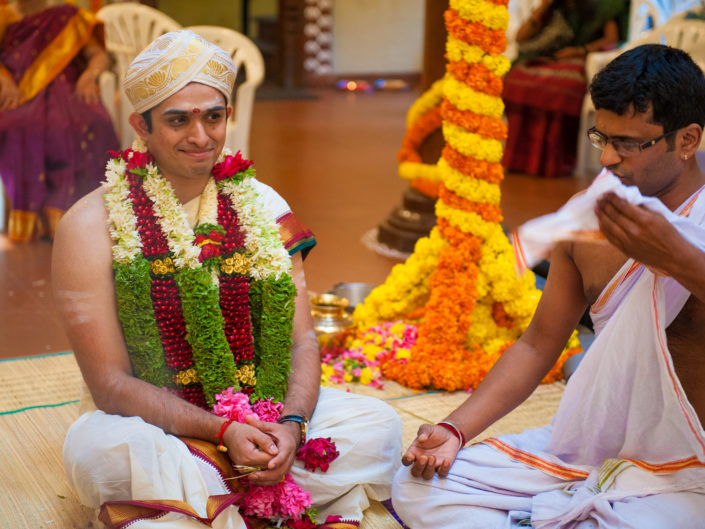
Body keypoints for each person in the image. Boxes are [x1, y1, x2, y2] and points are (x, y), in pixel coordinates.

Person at [54, 30, 401, 528]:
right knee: (101, 453)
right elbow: (109, 384)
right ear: (141, 125)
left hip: (266, 413)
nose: (201, 136)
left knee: (378, 427)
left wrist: (293, 425)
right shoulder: (89, 226)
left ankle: (205, 499)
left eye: (213, 116)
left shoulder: (263, 206)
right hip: (153, 424)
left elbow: (303, 341)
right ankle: (235, 489)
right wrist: (222, 431)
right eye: (178, 119)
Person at [393, 44, 705, 528]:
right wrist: (454, 430)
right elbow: (538, 345)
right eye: (601, 135)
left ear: (687, 140)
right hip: (592, 450)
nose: (606, 158)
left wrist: (678, 260)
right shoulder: (590, 215)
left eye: (627, 144)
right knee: (418, 486)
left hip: (689, 468)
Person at [0, 0, 118, 242]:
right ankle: (37, 222)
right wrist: (4, 81)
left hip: (70, 89)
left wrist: (89, 74)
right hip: (21, 93)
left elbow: (97, 54)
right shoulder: (3, 17)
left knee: (94, 121)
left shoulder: (68, 15)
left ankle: (90, 216)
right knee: (20, 126)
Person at [502, 0, 629, 178]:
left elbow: (612, 41)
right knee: (516, 79)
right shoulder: (554, 6)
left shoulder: (604, 4)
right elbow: (521, 38)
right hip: (547, 58)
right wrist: (545, 6)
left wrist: (578, 51)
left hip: (582, 59)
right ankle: (519, 161)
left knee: (558, 86)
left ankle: (554, 164)